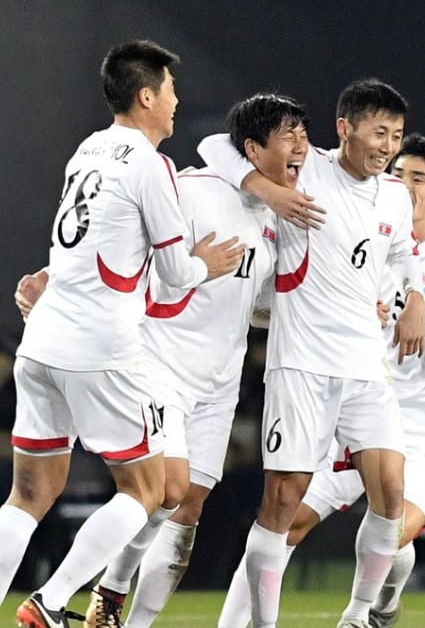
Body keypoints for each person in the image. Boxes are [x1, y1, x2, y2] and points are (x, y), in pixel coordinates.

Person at [16, 93, 311, 628]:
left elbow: (257, 302)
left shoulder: (275, 218)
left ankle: (115, 608)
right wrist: (52, 281)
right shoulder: (193, 190)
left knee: (185, 507)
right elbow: (123, 238)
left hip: (218, 383)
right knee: (160, 492)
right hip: (158, 366)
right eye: (289, 135)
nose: (301, 148)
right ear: (251, 148)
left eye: (304, 136)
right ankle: (86, 597)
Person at [0, 40, 245, 628]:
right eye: (170, 90)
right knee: (150, 489)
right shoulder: (148, 163)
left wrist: (46, 279)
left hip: (41, 342)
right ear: (146, 96)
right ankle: (51, 603)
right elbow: (173, 272)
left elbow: (76, 245)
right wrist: (207, 265)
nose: (176, 101)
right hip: (98, 346)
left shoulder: (87, 150)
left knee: (28, 496)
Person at [215, 133, 425, 628]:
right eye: (400, 174)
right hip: (367, 403)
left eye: (418, 179)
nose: (404, 185)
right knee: (287, 520)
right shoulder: (375, 237)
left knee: (394, 534)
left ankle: (374, 608)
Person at [198, 79, 425, 628]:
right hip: (300, 364)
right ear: (345, 129)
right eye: (378, 133)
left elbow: (402, 254)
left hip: (365, 365)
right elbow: (213, 147)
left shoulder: (395, 195)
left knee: (391, 490)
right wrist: (270, 191)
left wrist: (413, 296)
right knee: (283, 501)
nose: (388, 146)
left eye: (396, 136)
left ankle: (357, 617)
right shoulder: (308, 171)